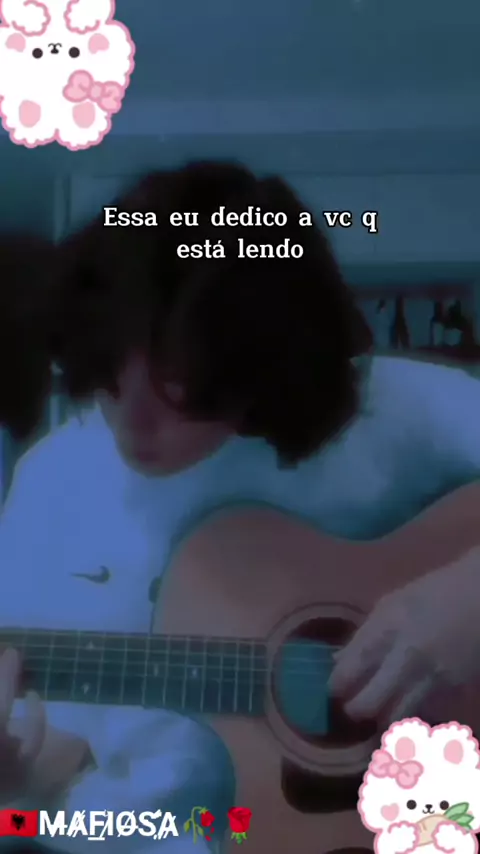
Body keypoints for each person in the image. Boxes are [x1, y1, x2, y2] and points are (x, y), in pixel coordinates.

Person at [2, 160, 480, 852]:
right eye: (105, 377)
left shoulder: (401, 410)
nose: (129, 424)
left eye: (179, 390)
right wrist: (19, 782)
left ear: (263, 366)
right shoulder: (51, 483)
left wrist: (468, 596)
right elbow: (61, 763)